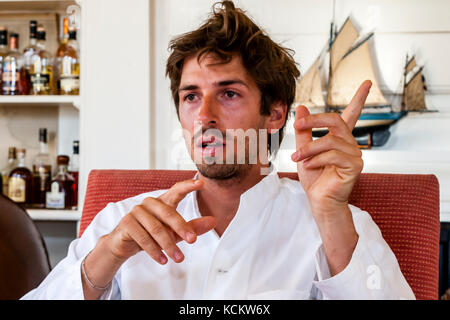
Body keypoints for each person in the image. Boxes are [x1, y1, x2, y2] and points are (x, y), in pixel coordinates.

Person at [22, 1, 415, 300]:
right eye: (191, 96)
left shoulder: (341, 225)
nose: (204, 115)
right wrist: (106, 257)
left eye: (228, 93)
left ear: (275, 113)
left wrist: (331, 218)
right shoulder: (121, 221)